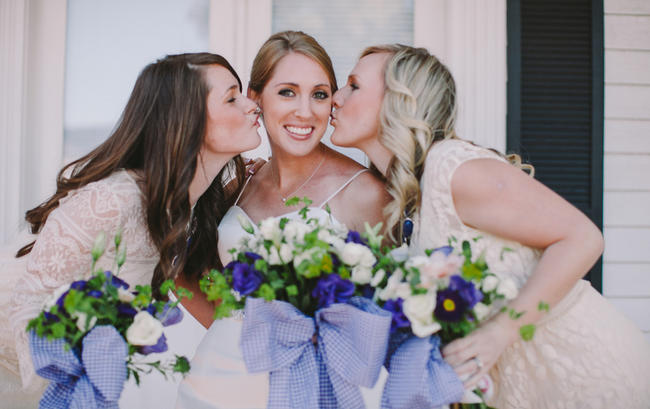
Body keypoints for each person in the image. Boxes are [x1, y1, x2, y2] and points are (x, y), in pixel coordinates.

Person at [330, 44, 650, 408]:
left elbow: (582, 237)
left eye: (353, 85)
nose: (335, 99)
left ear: (399, 101)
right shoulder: (406, 196)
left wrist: (503, 329)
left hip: (587, 374)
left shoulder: (452, 169)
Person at [0, 52, 262, 409]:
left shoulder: (188, 207)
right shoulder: (114, 199)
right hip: (19, 371)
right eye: (232, 98)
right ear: (187, 120)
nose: (252, 105)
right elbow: (27, 303)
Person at [176, 31, 390, 409]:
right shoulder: (240, 183)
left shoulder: (365, 193)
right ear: (256, 99)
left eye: (320, 94)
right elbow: (184, 273)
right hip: (214, 386)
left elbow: (387, 318)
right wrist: (237, 333)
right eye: (287, 92)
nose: (305, 111)